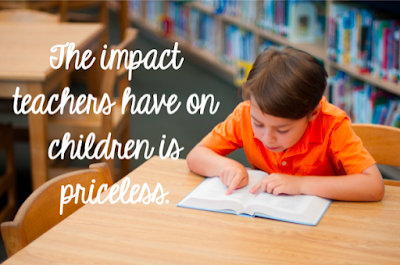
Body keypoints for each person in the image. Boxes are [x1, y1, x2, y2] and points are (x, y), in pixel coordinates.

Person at [186, 47, 384, 201]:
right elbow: (195, 155)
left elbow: (374, 186)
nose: (268, 138)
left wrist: (301, 185)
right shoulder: (245, 114)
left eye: (282, 129)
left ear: (313, 113)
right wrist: (227, 166)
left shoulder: (332, 125)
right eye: (259, 124)